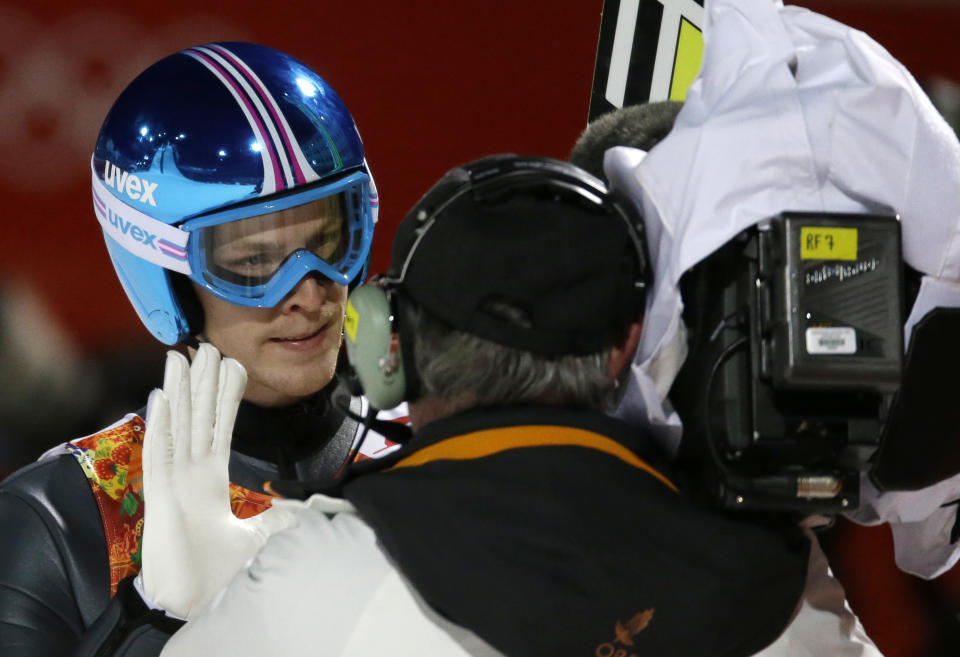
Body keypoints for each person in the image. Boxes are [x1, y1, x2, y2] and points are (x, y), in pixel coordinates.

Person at [153, 154, 813, 657]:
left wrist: (220, 604)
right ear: (626, 349)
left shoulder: (316, 578)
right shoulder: (785, 592)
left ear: (392, 345)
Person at [0, 41, 396, 656]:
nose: (307, 293)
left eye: (329, 238)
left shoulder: (452, 446)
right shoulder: (53, 522)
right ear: (162, 277)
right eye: (252, 262)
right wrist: (155, 621)